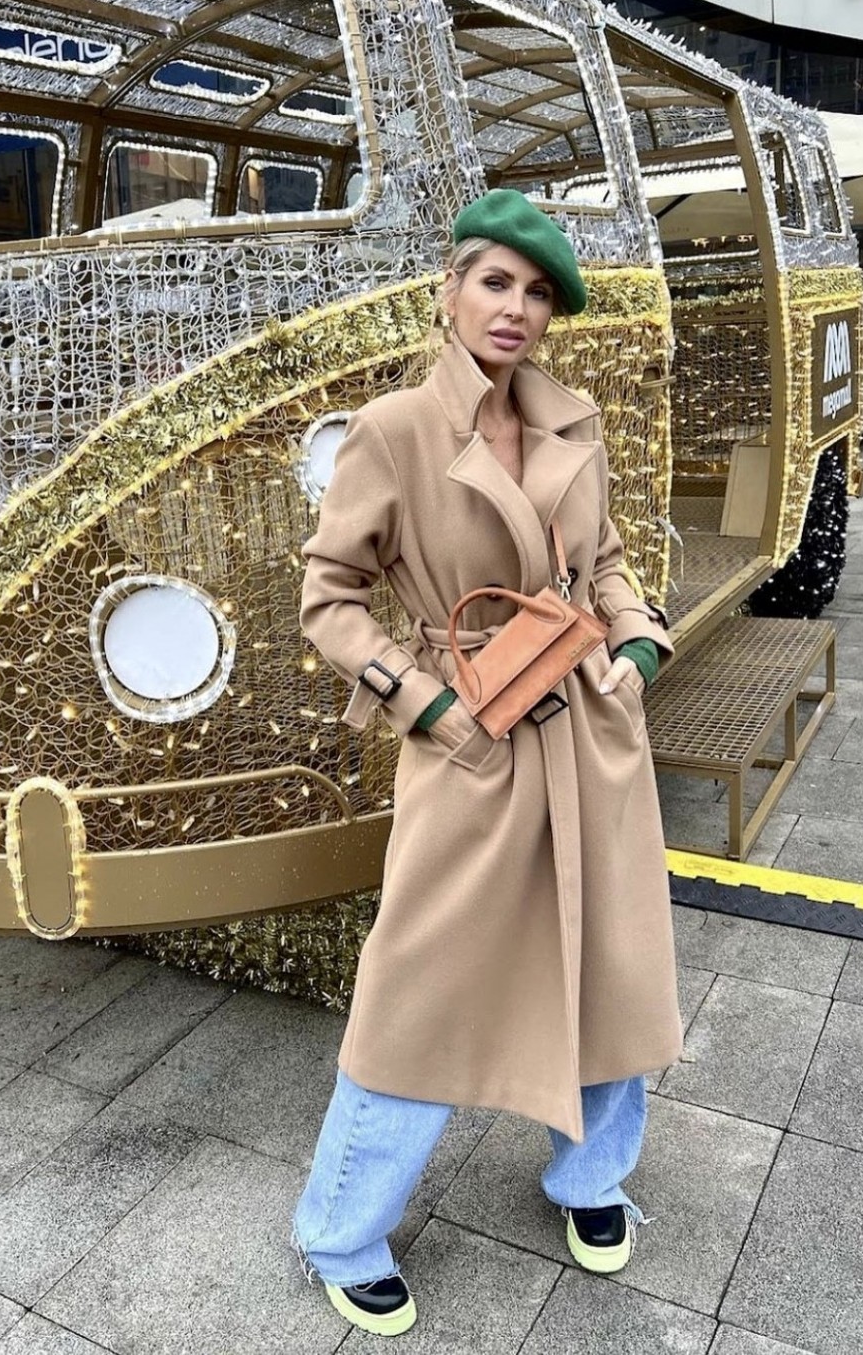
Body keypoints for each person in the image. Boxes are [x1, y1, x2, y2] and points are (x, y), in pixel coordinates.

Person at [292, 188, 683, 1337]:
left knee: (611, 963)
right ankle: (342, 1228)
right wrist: (425, 707)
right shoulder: (393, 429)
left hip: (590, 731)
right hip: (470, 739)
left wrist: (637, 645)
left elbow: (607, 559)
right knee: (420, 986)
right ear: (450, 290)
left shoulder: (573, 419)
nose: (515, 307)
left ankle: (591, 1175)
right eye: (495, 281)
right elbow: (329, 597)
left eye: (537, 291)